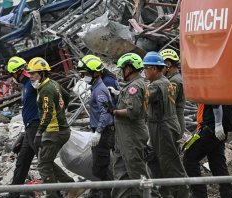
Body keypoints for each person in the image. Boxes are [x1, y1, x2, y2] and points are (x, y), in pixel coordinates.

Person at [26, 57, 81, 198]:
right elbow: (67, 95)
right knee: (46, 161)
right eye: (30, 74)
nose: (31, 77)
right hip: (60, 129)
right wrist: (61, 111)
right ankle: (70, 186)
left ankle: (54, 194)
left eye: (34, 74)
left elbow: (47, 113)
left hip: (54, 132)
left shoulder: (46, 90)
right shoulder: (52, 84)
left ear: (43, 73)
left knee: (43, 165)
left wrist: (39, 133)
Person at [111, 53, 158, 198]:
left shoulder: (135, 86)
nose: (121, 71)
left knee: (137, 172)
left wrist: (113, 111)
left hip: (132, 136)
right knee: (121, 171)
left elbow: (133, 112)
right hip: (124, 136)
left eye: (123, 68)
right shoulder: (134, 85)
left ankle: (151, 196)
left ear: (130, 68)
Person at [144, 51, 190, 198]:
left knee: (170, 164)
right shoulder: (167, 81)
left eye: (146, 68)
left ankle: (181, 195)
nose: (144, 71)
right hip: (163, 125)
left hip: (164, 126)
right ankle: (167, 193)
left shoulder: (163, 84)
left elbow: (142, 99)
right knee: (156, 160)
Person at [77, 55, 114, 198]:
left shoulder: (99, 90)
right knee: (100, 167)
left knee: (101, 168)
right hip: (100, 131)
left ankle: (108, 194)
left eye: (85, 74)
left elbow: (106, 112)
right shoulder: (96, 88)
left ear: (96, 73)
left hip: (103, 133)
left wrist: (98, 132)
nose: (83, 77)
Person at [6, 56, 40, 198]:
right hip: (28, 128)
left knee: (44, 163)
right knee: (22, 162)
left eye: (13, 74)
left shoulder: (32, 83)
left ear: (17, 72)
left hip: (36, 127)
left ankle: (59, 190)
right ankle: (13, 195)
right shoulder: (25, 85)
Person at [183, 104, 232, 198]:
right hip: (219, 129)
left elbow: (215, 101)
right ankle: (227, 194)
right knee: (217, 163)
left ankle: (199, 195)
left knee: (189, 159)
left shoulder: (212, 89)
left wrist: (218, 123)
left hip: (210, 128)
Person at [160, 49, 185, 142]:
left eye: (160, 66)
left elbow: (168, 104)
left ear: (168, 64)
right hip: (174, 122)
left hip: (173, 123)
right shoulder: (174, 79)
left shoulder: (174, 81)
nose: (159, 69)